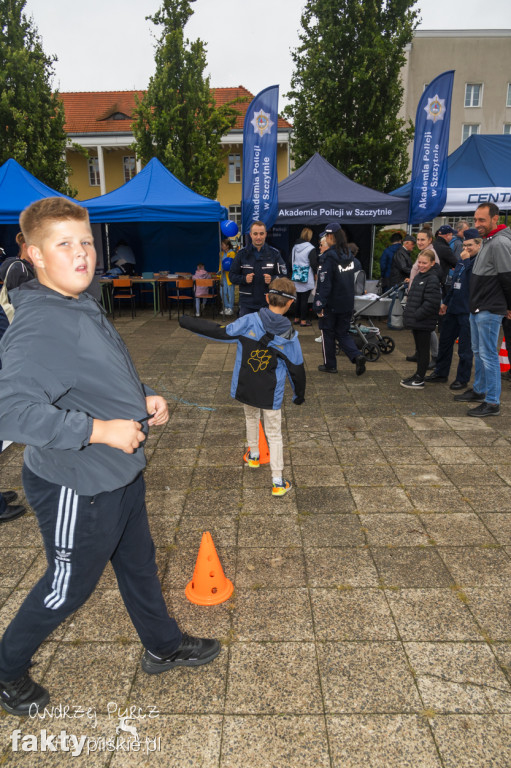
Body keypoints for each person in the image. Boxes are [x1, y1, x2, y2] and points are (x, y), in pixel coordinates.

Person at [0, 197, 219, 716]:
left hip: (119, 474)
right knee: (65, 588)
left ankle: (162, 646)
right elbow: (10, 412)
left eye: (85, 242)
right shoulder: (41, 325)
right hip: (81, 485)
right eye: (64, 244)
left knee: (140, 566)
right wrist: (99, 429)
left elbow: (96, 372)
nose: (82, 255)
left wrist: (139, 397)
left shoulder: (77, 300)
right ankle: (6, 670)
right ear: (34, 254)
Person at [179, 277, 305, 497]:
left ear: (267, 298)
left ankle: (254, 456)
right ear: (290, 303)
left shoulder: (248, 321)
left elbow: (219, 331)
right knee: (274, 434)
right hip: (270, 394)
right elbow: (297, 369)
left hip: (246, 386)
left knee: (250, 418)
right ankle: (277, 480)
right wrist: (298, 395)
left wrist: (187, 321)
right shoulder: (290, 337)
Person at [454, 202, 511, 417]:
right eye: (475, 219)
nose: (477, 224)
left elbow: (507, 277)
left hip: (489, 307)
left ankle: (493, 402)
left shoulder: (499, 243)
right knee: (479, 352)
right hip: (478, 307)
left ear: (495, 219)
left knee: (488, 355)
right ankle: (479, 390)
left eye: (482, 220)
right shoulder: (488, 240)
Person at [425, 228, 481, 390]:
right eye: (464, 245)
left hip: (467, 310)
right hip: (454, 307)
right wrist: (446, 302)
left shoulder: (477, 261)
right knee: (445, 342)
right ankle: (441, 373)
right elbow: (455, 282)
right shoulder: (463, 259)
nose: (466, 248)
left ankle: (462, 379)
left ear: (479, 244)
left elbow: (474, 280)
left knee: (464, 348)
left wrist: (467, 260)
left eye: (469, 245)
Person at [313, 222, 366, 376]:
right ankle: (357, 356)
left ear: (330, 236)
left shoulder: (329, 257)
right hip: (347, 302)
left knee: (327, 333)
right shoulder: (348, 254)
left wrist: (318, 304)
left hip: (331, 304)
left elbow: (325, 284)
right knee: (342, 333)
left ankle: (330, 365)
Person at [400, 249, 442, 389]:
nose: (421, 265)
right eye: (419, 262)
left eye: (425, 263)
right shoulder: (419, 276)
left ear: (432, 263)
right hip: (416, 321)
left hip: (423, 321)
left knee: (424, 351)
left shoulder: (432, 278)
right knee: (419, 349)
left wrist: (416, 314)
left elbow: (431, 303)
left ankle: (420, 378)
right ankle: (418, 374)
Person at [229, 221, 287, 316]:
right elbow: (232, 276)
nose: (258, 237)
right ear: (251, 235)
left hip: (268, 304)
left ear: (266, 234)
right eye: (255, 234)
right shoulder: (241, 254)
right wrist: (244, 279)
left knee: (267, 331)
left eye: (261, 234)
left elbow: (284, 277)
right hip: (247, 305)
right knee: (247, 331)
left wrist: (272, 279)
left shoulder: (274, 254)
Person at [291, 227, 318, 327]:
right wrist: (315, 273)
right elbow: (313, 263)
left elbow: (291, 260)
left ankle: (296, 318)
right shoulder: (311, 248)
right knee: (304, 300)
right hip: (307, 275)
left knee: (298, 298)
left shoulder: (295, 247)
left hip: (297, 274)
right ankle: (303, 320)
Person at [219, 237, 235, 316]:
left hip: (229, 276)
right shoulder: (222, 254)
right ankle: (225, 307)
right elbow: (220, 264)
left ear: (227, 246)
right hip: (223, 275)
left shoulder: (231, 253)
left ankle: (230, 308)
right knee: (222, 292)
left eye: (223, 245)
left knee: (230, 293)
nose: (222, 246)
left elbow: (231, 264)